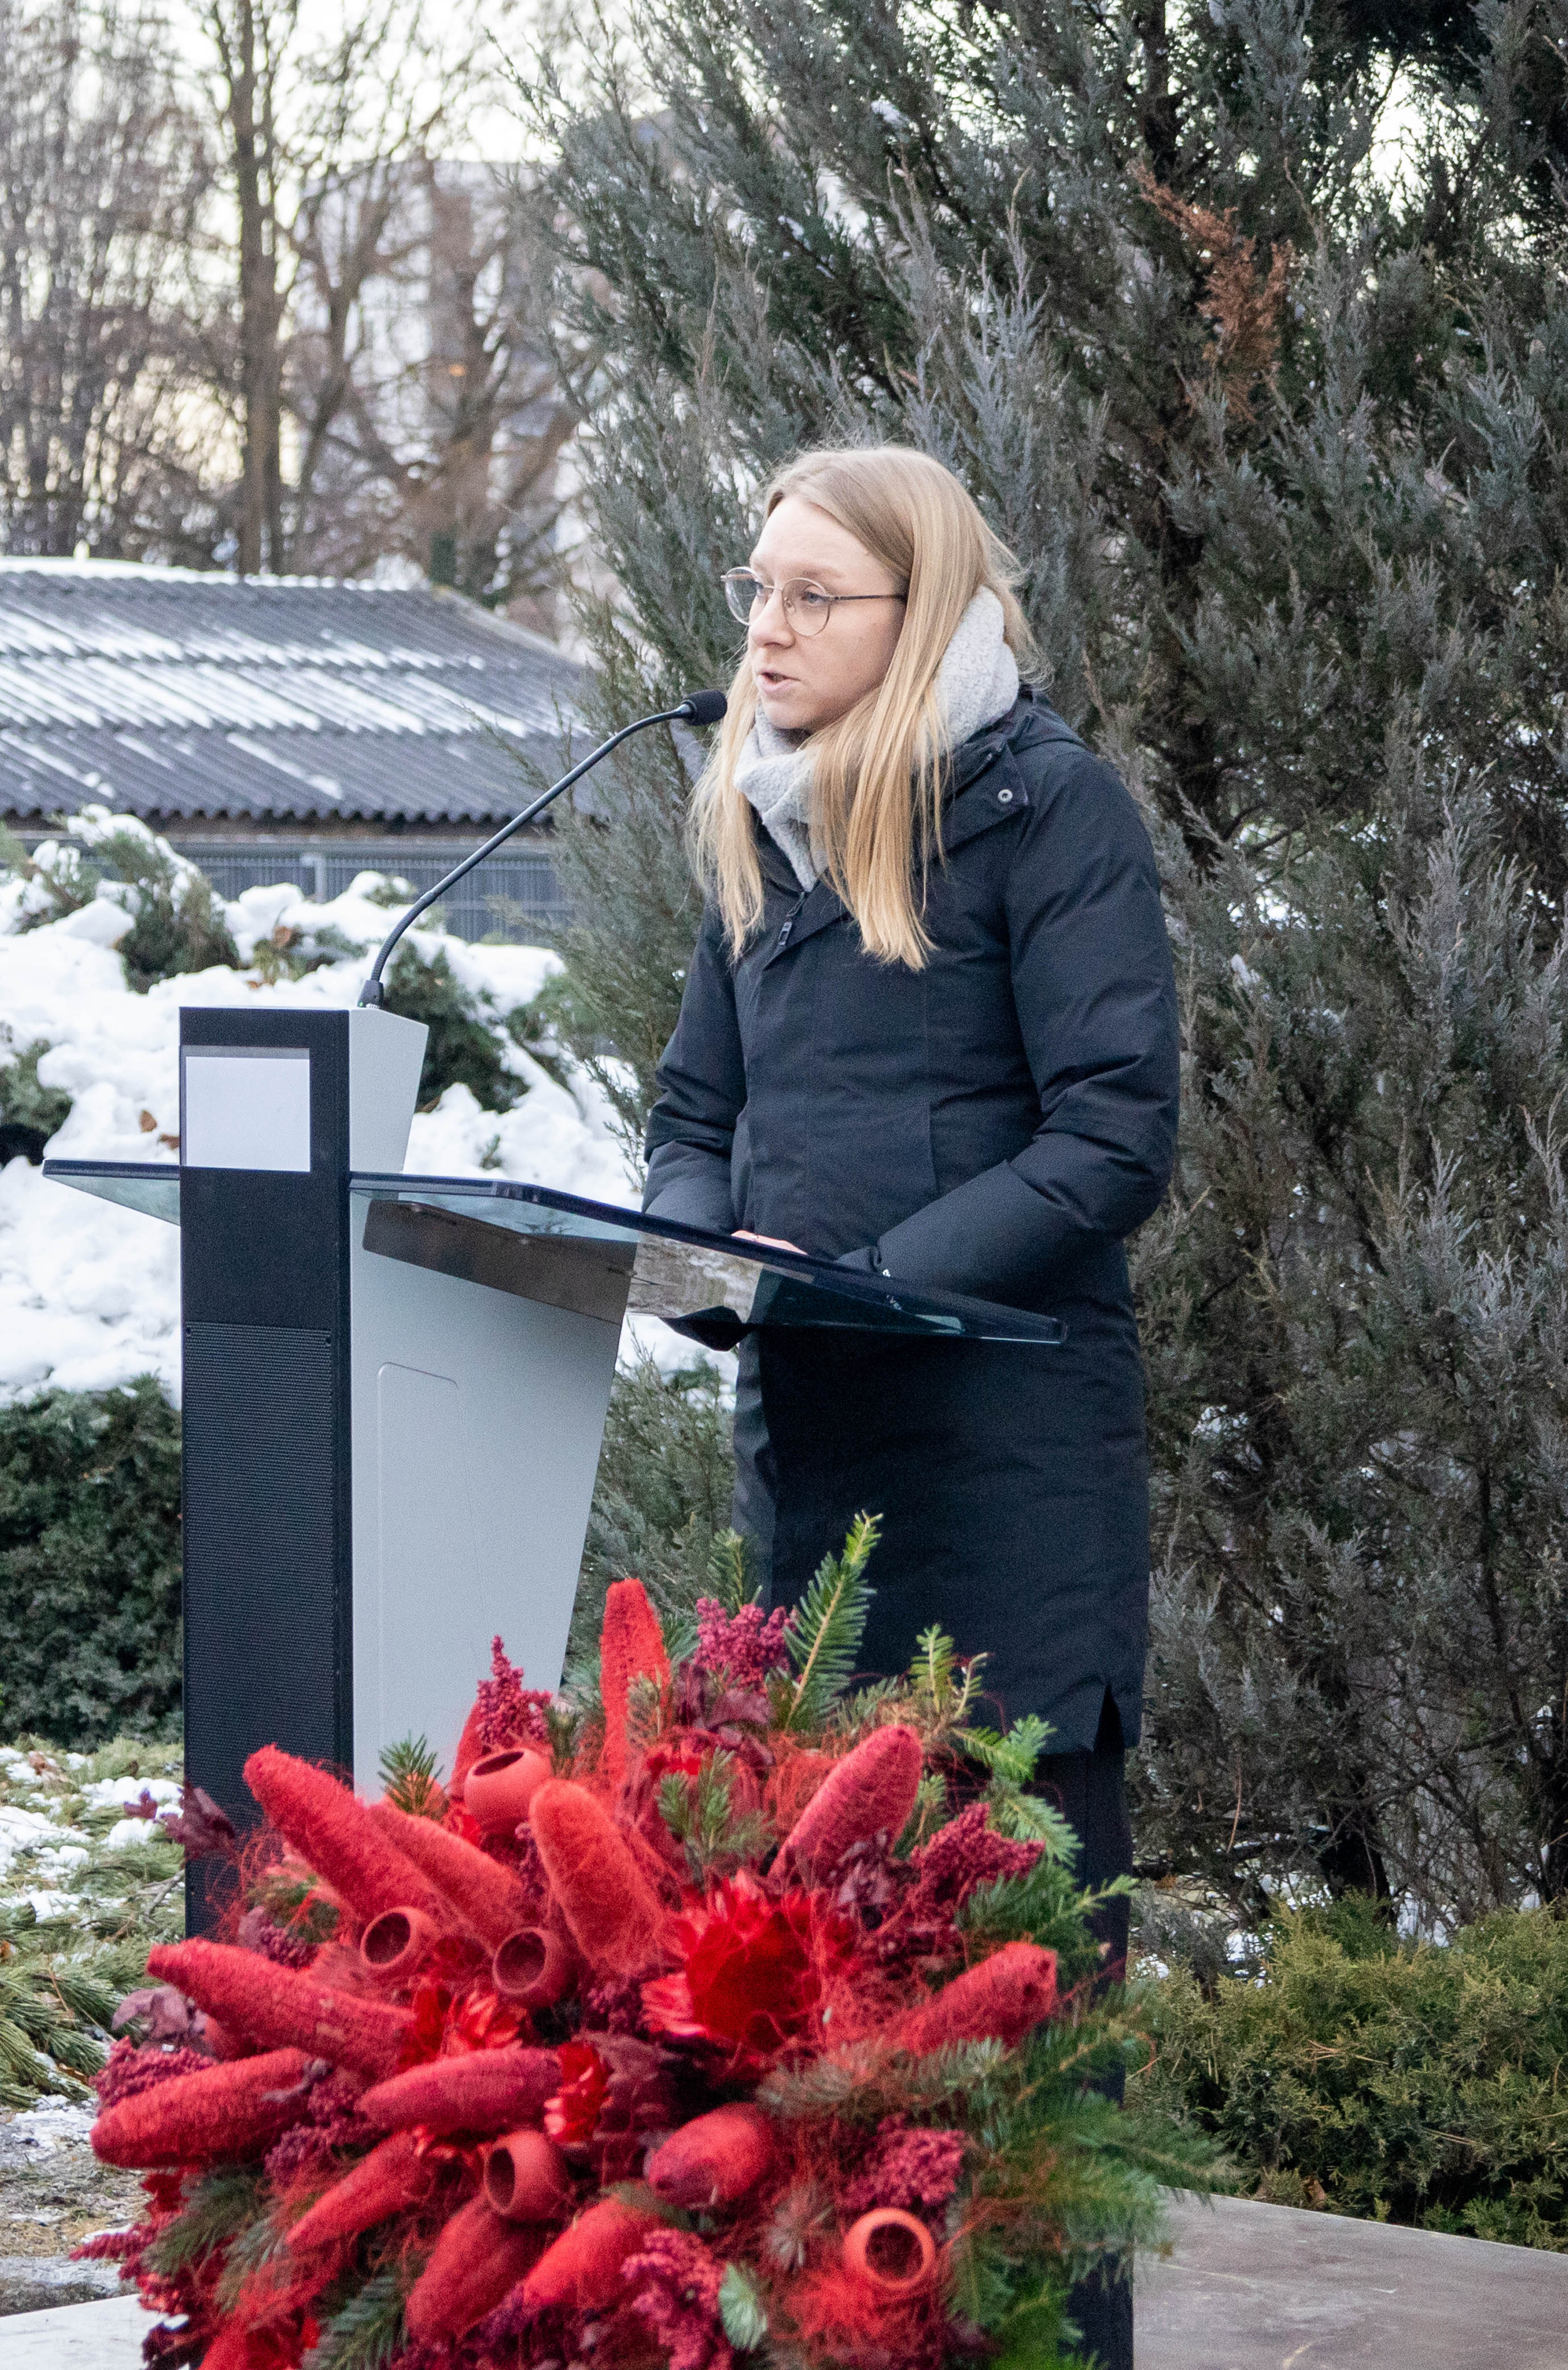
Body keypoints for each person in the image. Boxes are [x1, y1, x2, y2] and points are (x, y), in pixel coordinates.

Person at [640, 444, 1176, 2368]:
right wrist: (699, 1265)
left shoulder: (1054, 814)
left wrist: (881, 1284)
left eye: (812, 597)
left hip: (1008, 1484)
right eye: (755, 591)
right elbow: (697, 1118)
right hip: (819, 1477)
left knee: (1026, 2029)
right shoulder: (760, 818)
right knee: (833, 2009)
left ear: (919, 612)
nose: (766, 631)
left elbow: (1116, 1136)